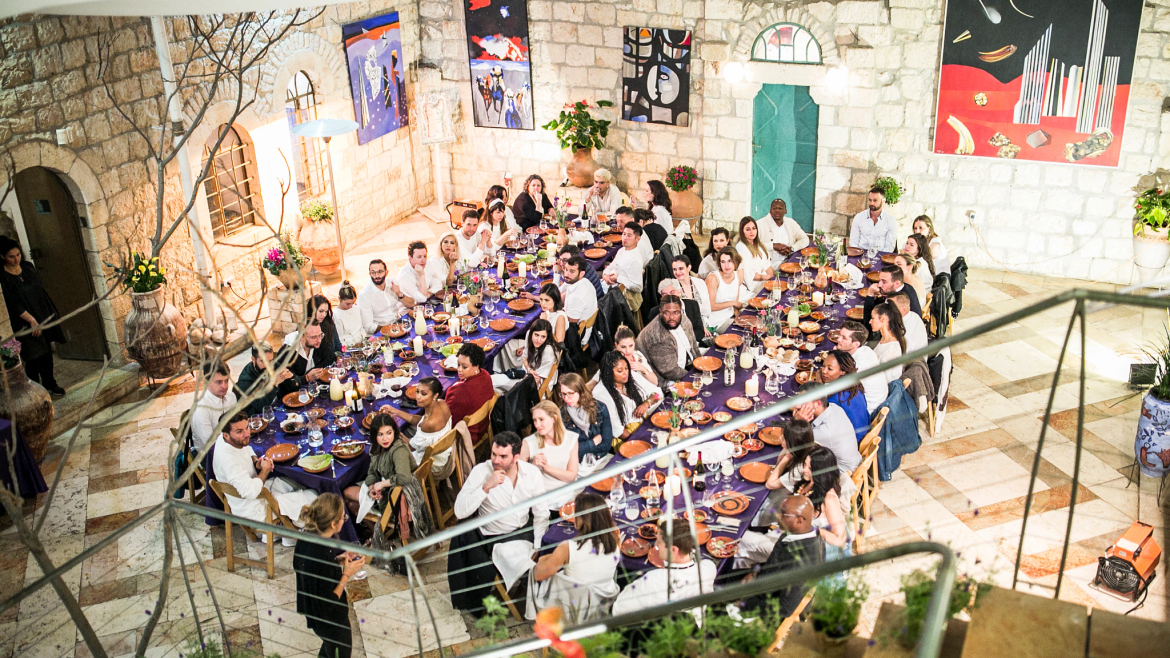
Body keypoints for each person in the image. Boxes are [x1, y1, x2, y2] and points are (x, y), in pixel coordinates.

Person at [449, 432, 550, 613]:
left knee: (552, 559)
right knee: (529, 568)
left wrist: (537, 546)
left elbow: (542, 513)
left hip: (524, 530)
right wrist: (486, 487)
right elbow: (460, 511)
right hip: (494, 538)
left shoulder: (531, 473)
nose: (496, 460)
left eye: (503, 456)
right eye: (494, 454)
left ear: (516, 457)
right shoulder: (481, 471)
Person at [211, 411, 317, 542]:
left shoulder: (227, 439)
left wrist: (257, 462)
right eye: (239, 431)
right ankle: (294, 532)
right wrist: (265, 471)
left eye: (247, 428)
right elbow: (250, 492)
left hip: (258, 491)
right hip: (252, 507)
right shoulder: (228, 461)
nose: (246, 434)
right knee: (314, 496)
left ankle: (290, 526)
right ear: (225, 434)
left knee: (298, 482)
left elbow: (247, 448)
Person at [342, 413, 435, 542]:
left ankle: (379, 535)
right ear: (375, 435)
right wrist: (371, 488)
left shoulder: (398, 449)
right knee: (349, 500)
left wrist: (381, 485)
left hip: (400, 495)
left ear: (394, 432)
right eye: (380, 434)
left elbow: (404, 477)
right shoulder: (376, 447)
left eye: (388, 433)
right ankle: (380, 533)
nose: (385, 438)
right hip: (385, 488)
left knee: (348, 499)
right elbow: (372, 472)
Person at [294, 493, 365, 658]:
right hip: (329, 618)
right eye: (343, 517)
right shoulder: (321, 554)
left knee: (329, 648)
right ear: (333, 524)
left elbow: (305, 568)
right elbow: (329, 601)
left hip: (311, 609)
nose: (344, 519)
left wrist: (338, 559)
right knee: (340, 651)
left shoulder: (307, 537)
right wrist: (347, 574)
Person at [533, 491, 621, 622]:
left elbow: (538, 575)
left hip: (573, 608)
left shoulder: (567, 548)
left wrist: (543, 558)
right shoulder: (615, 540)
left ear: (582, 519)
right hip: (603, 604)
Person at [612, 518, 717, 623]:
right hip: (694, 629)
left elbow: (618, 611)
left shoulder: (652, 580)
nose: (656, 545)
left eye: (659, 542)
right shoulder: (709, 568)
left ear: (673, 549)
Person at [740, 495, 824, 617]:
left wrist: (746, 604)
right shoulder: (803, 533)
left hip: (765, 607)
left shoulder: (801, 563)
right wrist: (755, 573)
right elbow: (776, 563)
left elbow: (786, 608)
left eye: (784, 513)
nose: (778, 516)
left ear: (799, 520)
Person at [0, 237, 65, 395]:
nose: (16, 259)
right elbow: (12, 303)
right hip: (24, 320)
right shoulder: (3, 277)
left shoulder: (27, 267)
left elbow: (39, 291)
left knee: (46, 352)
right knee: (33, 355)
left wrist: (44, 318)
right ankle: (33, 389)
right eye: (11, 256)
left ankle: (50, 383)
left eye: (18, 254)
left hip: (41, 315)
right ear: (2, 257)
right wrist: (31, 320)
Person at [384, 377, 453, 474]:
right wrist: (396, 412)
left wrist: (392, 428)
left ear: (435, 395)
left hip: (428, 464)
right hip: (442, 454)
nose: (418, 397)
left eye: (423, 394)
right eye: (417, 392)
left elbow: (411, 447)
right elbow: (420, 420)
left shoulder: (429, 423)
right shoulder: (441, 403)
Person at [521, 400, 580, 510]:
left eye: (541, 420)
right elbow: (520, 480)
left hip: (568, 497)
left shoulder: (571, 438)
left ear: (554, 418)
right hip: (543, 501)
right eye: (535, 420)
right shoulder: (528, 443)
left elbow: (571, 476)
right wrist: (533, 467)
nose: (537, 425)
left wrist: (547, 468)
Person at [795, 446, 850, 560]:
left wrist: (814, 530)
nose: (804, 470)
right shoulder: (809, 483)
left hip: (820, 552)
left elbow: (839, 540)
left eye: (810, 468)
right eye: (804, 465)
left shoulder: (829, 499)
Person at [793, 383, 861, 474]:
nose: (798, 406)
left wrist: (797, 422)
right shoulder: (834, 407)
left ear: (818, 403)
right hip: (850, 460)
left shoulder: (825, 432)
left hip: (839, 474)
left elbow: (794, 443)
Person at [593, 350, 658, 441]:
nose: (625, 373)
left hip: (642, 424)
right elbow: (616, 429)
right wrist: (638, 441)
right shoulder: (601, 394)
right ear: (609, 373)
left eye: (626, 368)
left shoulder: (631, 377)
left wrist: (646, 403)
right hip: (625, 436)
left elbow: (657, 393)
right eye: (620, 371)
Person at [556, 373, 612, 475]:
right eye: (563, 394)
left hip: (601, 458)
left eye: (570, 393)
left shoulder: (600, 408)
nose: (566, 398)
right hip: (577, 464)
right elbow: (566, 451)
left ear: (580, 392)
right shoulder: (561, 415)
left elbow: (607, 444)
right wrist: (593, 442)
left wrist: (581, 447)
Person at [635, 295, 698, 384]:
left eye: (676, 312)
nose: (671, 317)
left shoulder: (684, 319)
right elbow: (670, 371)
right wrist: (695, 377)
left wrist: (700, 366)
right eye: (666, 313)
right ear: (660, 312)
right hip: (663, 380)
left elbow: (694, 345)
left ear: (681, 310)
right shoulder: (657, 336)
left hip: (684, 366)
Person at [445, 342, 495, 446]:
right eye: (458, 365)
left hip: (465, 437)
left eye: (464, 367)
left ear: (476, 366)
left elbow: (446, 419)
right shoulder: (485, 374)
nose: (459, 370)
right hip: (482, 426)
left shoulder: (460, 393)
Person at [834, 322, 888, 413]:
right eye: (840, 335)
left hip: (868, 409)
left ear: (856, 344)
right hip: (874, 400)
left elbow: (837, 386)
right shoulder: (866, 349)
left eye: (844, 338)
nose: (838, 339)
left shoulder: (858, 365)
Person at [493, 318, 559, 394]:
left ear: (547, 337)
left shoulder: (548, 351)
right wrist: (529, 369)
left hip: (535, 385)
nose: (538, 340)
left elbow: (535, 381)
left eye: (543, 337)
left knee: (492, 382)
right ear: (532, 333)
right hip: (526, 374)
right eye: (536, 335)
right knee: (491, 381)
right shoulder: (529, 335)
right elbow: (524, 357)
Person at [820, 351, 869, 441]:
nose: (823, 371)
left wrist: (818, 386)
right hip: (864, 433)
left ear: (842, 371)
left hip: (853, 441)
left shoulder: (836, 399)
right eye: (823, 366)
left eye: (829, 368)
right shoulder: (854, 385)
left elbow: (820, 419)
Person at [235, 344, 295, 416]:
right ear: (253, 360)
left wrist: (291, 377)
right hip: (258, 417)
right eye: (263, 361)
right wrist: (274, 384)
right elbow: (260, 407)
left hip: (278, 408)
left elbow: (293, 387)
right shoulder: (245, 380)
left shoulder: (273, 365)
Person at [192, 363, 238, 451]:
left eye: (226, 381)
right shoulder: (201, 408)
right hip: (209, 454)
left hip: (231, 444)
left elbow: (236, 424)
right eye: (219, 382)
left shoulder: (231, 396)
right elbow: (210, 444)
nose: (224, 386)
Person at [602, 222, 645, 315]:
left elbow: (638, 287)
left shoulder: (635, 260)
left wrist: (618, 278)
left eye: (629, 235)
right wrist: (605, 275)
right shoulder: (622, 250)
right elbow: (611, 266)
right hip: (610, 286)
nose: (625, 238)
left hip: (619, 298)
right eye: (624, 234)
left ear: (637, 239)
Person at [357, 259, 407, 334]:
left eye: (380, 272)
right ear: (369, 274)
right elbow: (369, 327)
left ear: (386, 272)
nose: (377, 276)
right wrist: (391, 328)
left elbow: (411, 303)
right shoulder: (364, 296)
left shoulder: (392, 283)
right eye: (373, 272)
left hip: (398, 324)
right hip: (381, 332)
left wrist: (399, 293)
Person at [704, 247, 749, 329]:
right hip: (717, 321)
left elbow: (736, 306)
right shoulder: (713, 278)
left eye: (730, 261)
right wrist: (733, 303)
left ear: (736, 261)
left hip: (730, 316)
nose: (726, 265)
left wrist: (738, 317)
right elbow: (710, 306)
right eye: (723, 262)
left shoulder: (737, 275)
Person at [756, 198, 810, 264]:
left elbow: (805, 239)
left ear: (785, 211)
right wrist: (773, 246)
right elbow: (752, 245)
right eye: (774, 208)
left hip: (788, 263)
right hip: (767, 266)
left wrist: (792, 249)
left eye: (780, 208)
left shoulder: (790, 223)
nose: (777, 210)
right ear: (770, 211)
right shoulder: (759, 224)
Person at [562, 256, 599, 348]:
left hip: (577, 337)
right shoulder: (584, 282)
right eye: (566, 269)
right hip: (586, 330)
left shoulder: (577, 298)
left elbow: (570, 326)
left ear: (581, 273)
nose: (566, 274)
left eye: (572, 271)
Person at [848, 187, 897, 253]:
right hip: (860, 254)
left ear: (883, 201)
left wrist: (880, 258)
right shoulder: (859, 217)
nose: (871, 203)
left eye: (875, 200)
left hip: (880, 256)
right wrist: (857, 255)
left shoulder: (891, 221)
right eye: (870, 200)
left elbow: (889, 246)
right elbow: (853, 242)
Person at [870, 301, 907, 384]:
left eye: (872, 318)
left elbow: (885, 382)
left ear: (883, 319)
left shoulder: (891, 351)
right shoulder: (884, 339)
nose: (870, 321)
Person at [669, 255, 711, 323]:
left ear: (689, 268)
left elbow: (707, 311)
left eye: (681, 268)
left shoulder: (700, 283)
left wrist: (690, 305)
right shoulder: (672, 287)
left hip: (704, 323)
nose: (677, 272)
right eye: (674, 269)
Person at [734, 216, 775, 286]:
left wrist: (771, 277)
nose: (751, 232)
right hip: (754, 284)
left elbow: (767, 265)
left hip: (766, 279)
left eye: (754, 228)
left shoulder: (759, 244)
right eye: (747, 229)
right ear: (742, 231)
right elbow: (747, 274)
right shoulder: (741, 248)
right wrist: (767, 277)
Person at [305, 295, 342, 365]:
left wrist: (339, 358)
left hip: (332, 365)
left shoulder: (328, 323)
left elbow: (337, 343)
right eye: (321, 311)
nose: (324, 315)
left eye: (326, 311)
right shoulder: (305, 327)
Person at [890, 291, 928, 355]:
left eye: (890, 307)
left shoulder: (904, 331)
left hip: (912, 363)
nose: (885, 310)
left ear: (903, 309)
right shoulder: (913, 315)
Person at [333, 281, 365, 347]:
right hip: (349, 347)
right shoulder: (336, 316)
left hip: (362, 344)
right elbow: (340, 340)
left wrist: (364, 340)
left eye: (353, 303)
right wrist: (354, 345)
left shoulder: (355, 308)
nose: (351, 306)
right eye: (348, 304)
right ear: (339, 299)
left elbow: (361, 328)